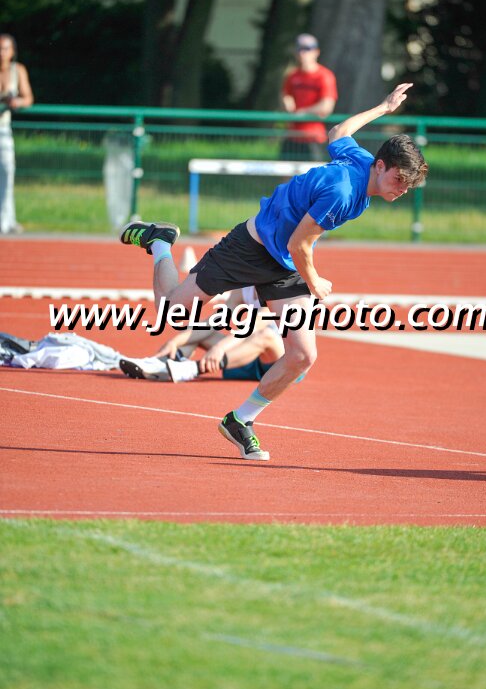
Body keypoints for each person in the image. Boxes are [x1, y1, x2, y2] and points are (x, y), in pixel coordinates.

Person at [120, 83, 428, 461]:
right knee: (172, 311)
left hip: (283, 265)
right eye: (399, 180)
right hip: (250, 248)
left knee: (302, 355)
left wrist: (383, 107)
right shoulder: (343, 193)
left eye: (408, 185)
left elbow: (338, 131)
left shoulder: (360, 161)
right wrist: (315, 282)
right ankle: (160, 243)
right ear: (380, 165)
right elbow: (300, 245)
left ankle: (241, 420)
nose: (402, 190)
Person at [119, 287, 285, 385]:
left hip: (280, 363)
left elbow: (254, 325)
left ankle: (192, 369)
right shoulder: (244, 288)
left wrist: (219, 348)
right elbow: (217, 320)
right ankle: (161, 364)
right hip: (246, 357)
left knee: (266, 335)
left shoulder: (278, 286)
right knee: (200, 333)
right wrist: (175, 341)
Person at [280, 33, 338, 162]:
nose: (302, 53)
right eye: (299, 49)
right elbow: (285, 96)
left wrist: (302, 112)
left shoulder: (324, 75)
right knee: (284, 172)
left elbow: (326, 107)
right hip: (292, 136)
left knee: (314, 173)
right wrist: (286, 102)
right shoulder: (292, 75)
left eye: (307, 49)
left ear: (316, 52)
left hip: (314, 138)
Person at [0, 34, 34, 234]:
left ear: (12, 51)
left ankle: (7, 219)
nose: (1, 53)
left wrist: (16, 102)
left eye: (5, 48)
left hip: (3, 129)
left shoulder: (17, 70)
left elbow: (28, 98)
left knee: (7, 172)